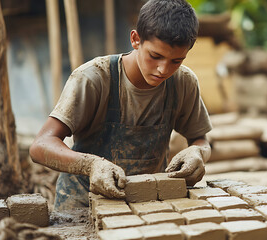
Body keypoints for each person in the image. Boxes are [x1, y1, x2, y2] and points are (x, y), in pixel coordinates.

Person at [29, 0, 212, 211]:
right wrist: (91, 165)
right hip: (82, 204)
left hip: (148, 204)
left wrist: (197, 152)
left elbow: (201, 140)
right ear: (135, 39)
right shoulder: (93, 78)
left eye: (176, 61)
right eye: (155, 56)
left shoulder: (183, 82)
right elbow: (40, 146)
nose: (163, 69)